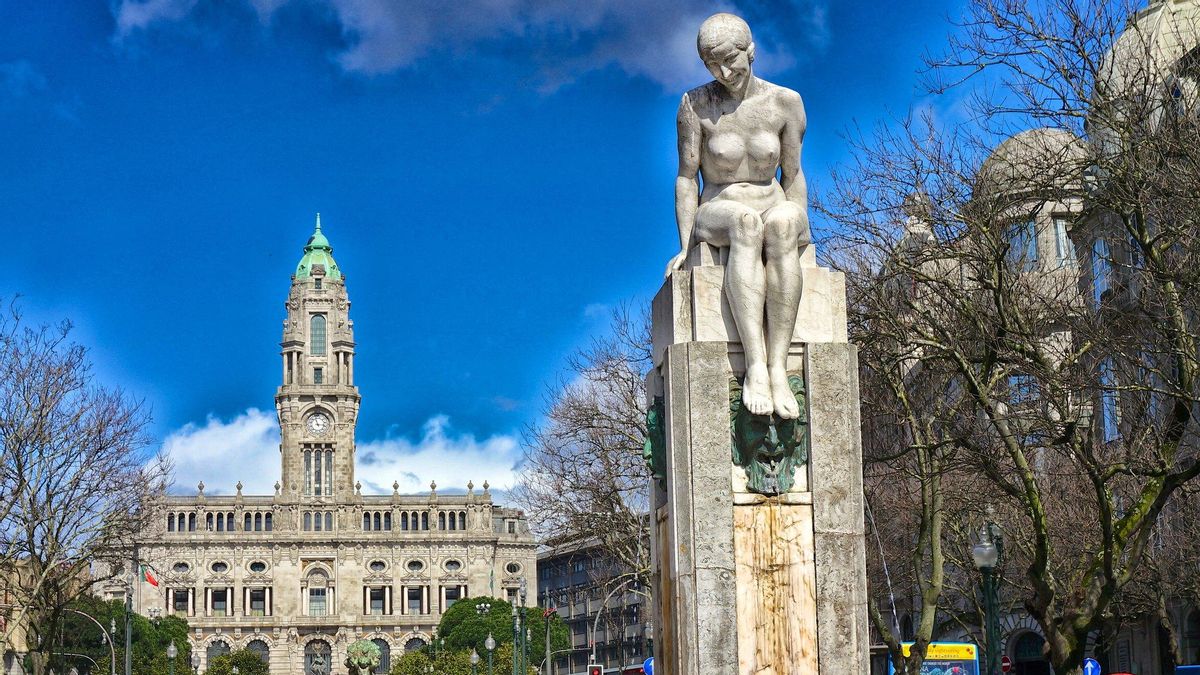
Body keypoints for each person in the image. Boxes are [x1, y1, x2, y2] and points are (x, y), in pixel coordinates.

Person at [666, 13, 811, 419]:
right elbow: (685, 177)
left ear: (751, 51)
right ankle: (755, 366)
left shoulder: (786, 102)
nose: (723, 71)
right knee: (745, 225)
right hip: (718, 207)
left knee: (781, 225)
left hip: (773, 198)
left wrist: (801, 226)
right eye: (712, 64)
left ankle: (779, 367)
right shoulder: (695, 104)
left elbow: (794, 174)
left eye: (730, 59)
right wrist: (684, 245)